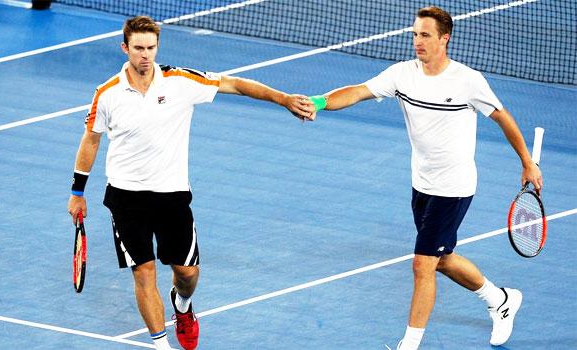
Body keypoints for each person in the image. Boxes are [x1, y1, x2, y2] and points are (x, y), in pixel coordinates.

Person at [66, 16, 313, 350]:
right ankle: (160, 344)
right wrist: (77, 192)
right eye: (138, 48)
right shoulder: (107, 93)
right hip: (126, 197)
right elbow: (91, 140)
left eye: (151, 47)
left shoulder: (180, 81)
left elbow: (235, 84)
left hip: (172, 197)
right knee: (144, 272)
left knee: (187, 273)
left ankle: (182, 305)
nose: (145, 55)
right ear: (125, 48)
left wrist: (283, 99)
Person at [307, 6, 542, 349]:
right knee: (442, 258)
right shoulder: (402, 75)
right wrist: (318, 101)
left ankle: (410, 344)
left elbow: (502, 117)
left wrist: (526, 161)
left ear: (444, 39)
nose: (417, 41)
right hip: (422, 185)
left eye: (425, 35)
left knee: (422, 264)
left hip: (455, 187)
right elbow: (357, 91)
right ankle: (500, 299)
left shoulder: (467, 81)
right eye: (415, 34)